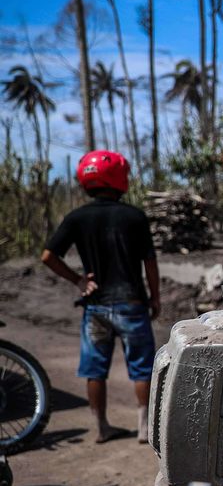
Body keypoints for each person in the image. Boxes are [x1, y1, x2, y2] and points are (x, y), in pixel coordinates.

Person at [41, 151, 159, 444]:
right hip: (132, 304)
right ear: (119, 178)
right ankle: (144, 428)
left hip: (96, 308)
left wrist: (79, 281)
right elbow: (150, 263)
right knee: (142, 368)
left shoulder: (77, 217)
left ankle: (102, 427)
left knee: (96, 369)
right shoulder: (134, 216)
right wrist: (155, 297)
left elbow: (48, 256)